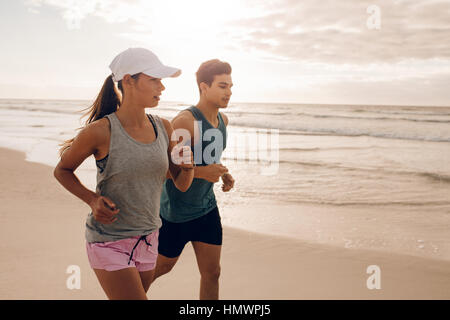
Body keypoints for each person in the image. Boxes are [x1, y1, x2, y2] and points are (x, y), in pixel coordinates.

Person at [53, 48, 194, 300]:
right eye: (154, 79)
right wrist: (92, 199)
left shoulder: (163, 126)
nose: (162, 87)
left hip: (150, 237)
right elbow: (62, 170)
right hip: (109, 241)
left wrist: (188, 167)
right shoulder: (100, 131)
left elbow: (181, 184)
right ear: (128, 80)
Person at [151, 59, 235, 300]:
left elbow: (209, 158)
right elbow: (163, 167)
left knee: (212, 272)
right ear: (203, 87)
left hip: (206, 209)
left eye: (230, 86)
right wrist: (202, 172)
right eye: (222, 86)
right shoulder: (185, 122)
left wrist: (223, 173)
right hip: (175, 214)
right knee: (160, 268)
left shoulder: (223, 121)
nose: (228, 92)